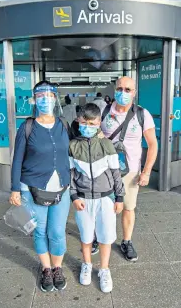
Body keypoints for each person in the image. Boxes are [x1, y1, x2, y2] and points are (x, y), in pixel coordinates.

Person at [9, 81, 71, 292]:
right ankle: (46, 269)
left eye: (49, 95)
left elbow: (70, 152)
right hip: (32, 188)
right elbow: (17, 159)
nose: (46, 99)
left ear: (55, 98)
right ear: (34, 99)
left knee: (57, 232)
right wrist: (15, 189)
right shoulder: (27, 127)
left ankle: (57, 267)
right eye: (41, 95)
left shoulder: (63, 123)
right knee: (40, 231)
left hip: (62, 188)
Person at [101, 76, 158, 261]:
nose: (122, 93)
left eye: (127, 90)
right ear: (114, 89)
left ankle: (126, 241)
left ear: (134, 93)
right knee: (101, 208)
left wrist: (146, 171)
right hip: (104, 171)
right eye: (119, 88)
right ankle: (97, 238)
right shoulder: (103, 112)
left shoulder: (142, 114)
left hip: (130, 172)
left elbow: (152, 145)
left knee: (128, 208)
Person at [69, 103, 125, 293]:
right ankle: (86, 265)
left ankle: (104, 269)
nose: (88, 126)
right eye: (84, 122)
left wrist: (119, 197)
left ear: (99, 122)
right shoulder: (73, 146)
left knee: (105, 237)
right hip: (83, 199)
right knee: (86, 236)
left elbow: (116, 173)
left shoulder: (107, 144)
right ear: (78, 121)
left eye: (92, 123)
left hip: (106, 199)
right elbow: (70, 175)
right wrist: (74, 196)